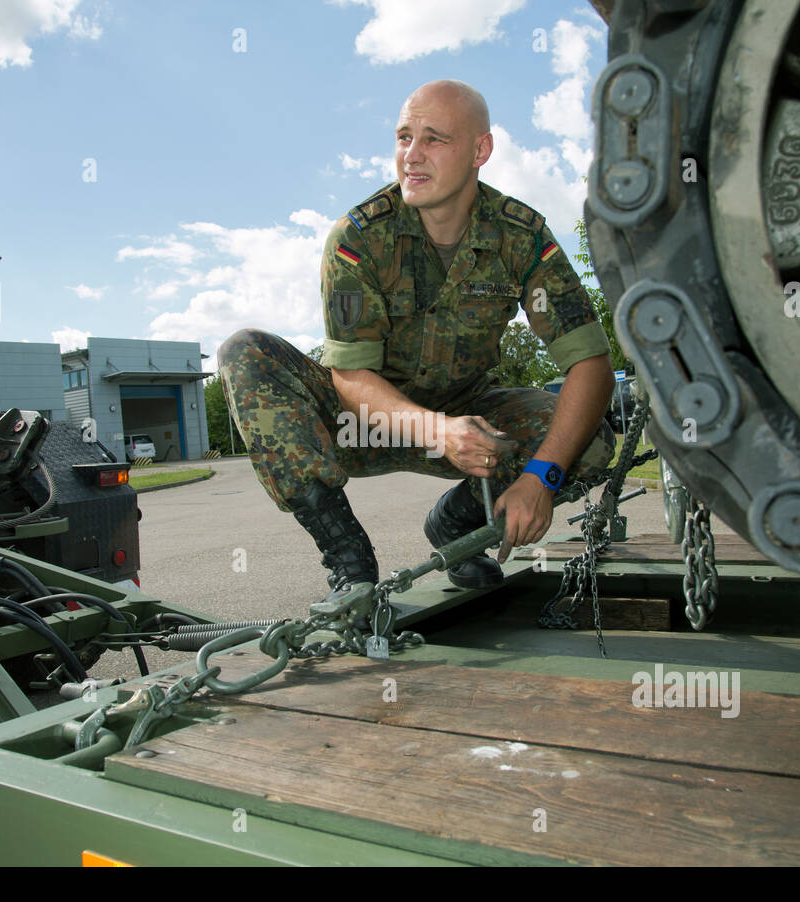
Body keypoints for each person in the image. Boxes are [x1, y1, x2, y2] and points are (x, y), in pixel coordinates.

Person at [219, 79, 615, 602]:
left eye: (434, 139)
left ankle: (458, 525)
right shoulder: (358, 238)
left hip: (469, 421)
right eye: (404, 137)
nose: (412, 155)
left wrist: (540, 478)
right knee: (244, 351)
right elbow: (350, 377)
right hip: (357, 424)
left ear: (481, 150)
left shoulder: (520, 236)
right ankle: (349, 561)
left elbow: (591, 363)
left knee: (589, 441)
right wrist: (435, 430)